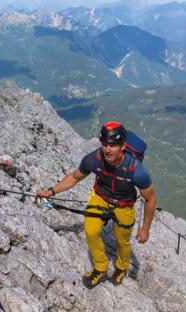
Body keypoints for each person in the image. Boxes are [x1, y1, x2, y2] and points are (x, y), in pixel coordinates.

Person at [36, 121, 157, 288]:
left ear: (122, 146)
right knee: (91, 230)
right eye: (105, 144)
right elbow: (74, 177)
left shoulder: (137, 170)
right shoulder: (94, 159)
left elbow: (150, 199)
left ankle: (121, 268)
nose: (108, 149)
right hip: (101, 197)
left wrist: (145, 229)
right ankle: (100, 268)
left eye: (113, 145)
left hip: (124, 204)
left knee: (123, 241)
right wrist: (51, 191)